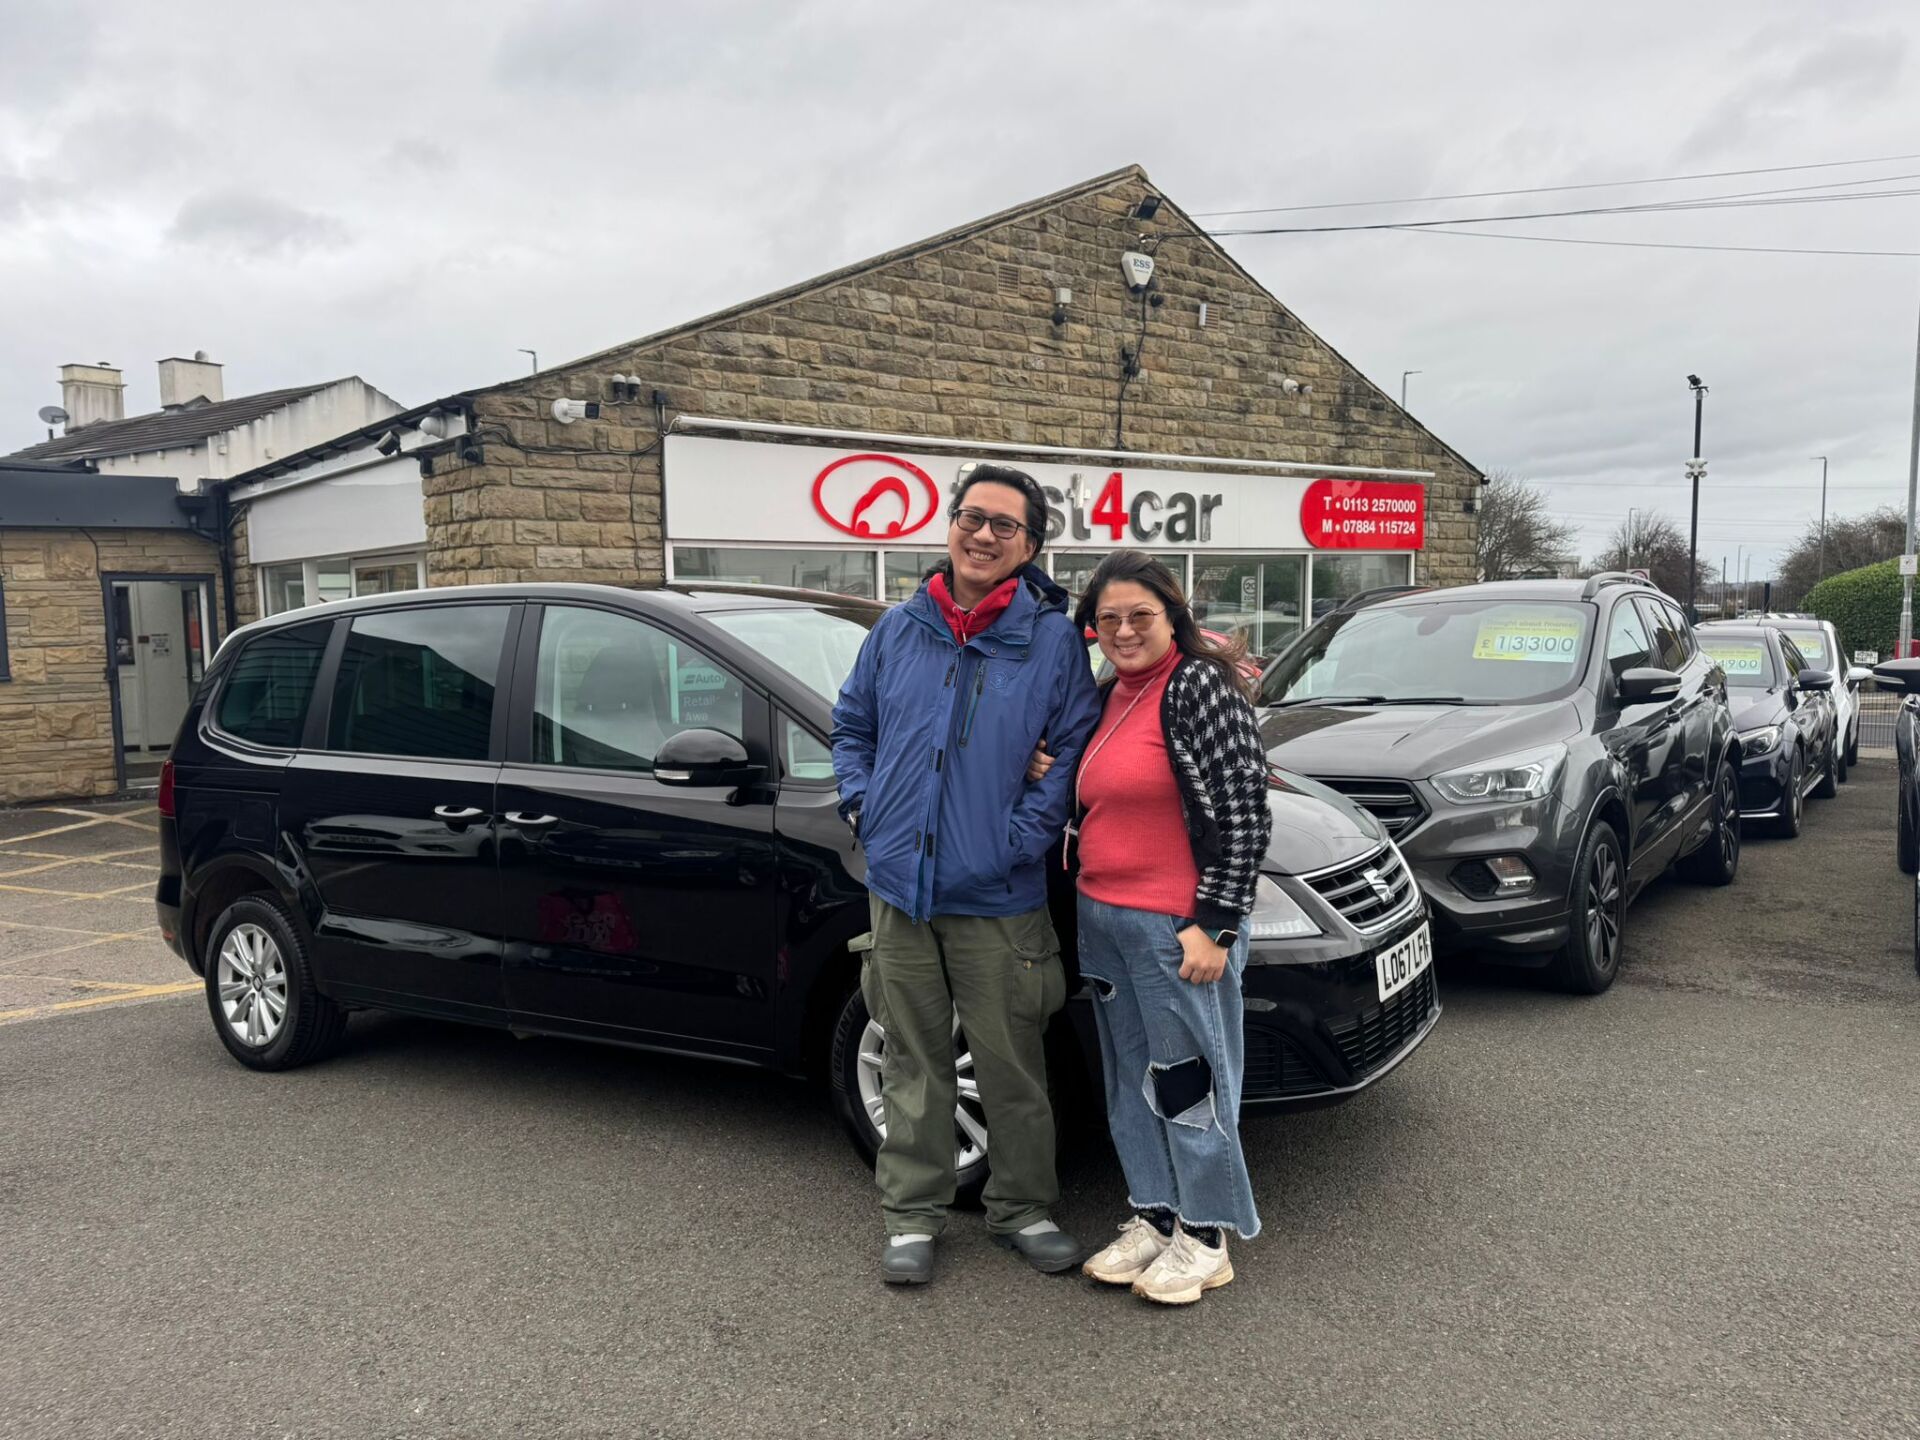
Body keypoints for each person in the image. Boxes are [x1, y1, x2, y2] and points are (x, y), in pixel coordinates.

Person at [831, 463, 1101, 1286]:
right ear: (950, 525)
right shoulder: (899, 628)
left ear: (1029, 546)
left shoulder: (1052, 640)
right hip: (900, 892)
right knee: (914, 1061)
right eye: (971, 518)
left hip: (1000, 899)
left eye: (1004, 527)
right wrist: (863, 805)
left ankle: (1021, 1207)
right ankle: (912, 1214)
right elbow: (852, 726)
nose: (983, 535)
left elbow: (1071, 753)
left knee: (1012, 1061)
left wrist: (1015, 841)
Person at [1059, 549, 1273, 1304]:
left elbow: (1246, 809)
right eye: (1108, 618)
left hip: (1174, 926)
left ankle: (1207, 1233)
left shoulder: (1197, 688)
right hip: (1103, 918)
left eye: (1139, 616)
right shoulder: (1108, 695)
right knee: (1128, 1080)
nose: (1123, 630)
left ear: (1171, 618)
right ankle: (1155, 1214)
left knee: (1187, 1081)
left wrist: (1214, 922)